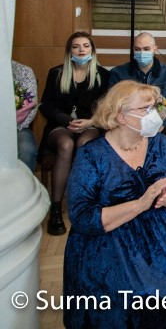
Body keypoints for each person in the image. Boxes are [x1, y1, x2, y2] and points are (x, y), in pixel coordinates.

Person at [63, 81, 166, 328]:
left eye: (154, 107)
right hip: (110, 241)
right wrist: (140, 204)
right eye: (145, 109)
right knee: (129, 296)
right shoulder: (91, 155)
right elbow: (82, 216)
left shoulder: (160, 144)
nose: (154, 115)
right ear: (120, 116)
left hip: (163, 237)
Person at [40, 32, 111, 235]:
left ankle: (82, 203)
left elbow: (106, 109)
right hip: (60, 126)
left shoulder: (103, 75)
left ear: (92, 50)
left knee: (84, 145)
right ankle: (55, 210)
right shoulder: (56, 73)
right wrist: (68, 121)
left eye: (86, 46)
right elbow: (46, 106)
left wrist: (89, 122)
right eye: (76, 46)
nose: (81, 50)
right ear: (69, 51)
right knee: (66, 145)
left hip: (91, 124)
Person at [110, 32, 166, 136]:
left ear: (155, 49)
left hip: (160, 125)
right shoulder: (118, 73)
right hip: (127, 124)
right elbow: (113, 105)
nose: (142, 53)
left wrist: (160, 125)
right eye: (137, 49)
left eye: (146, 49)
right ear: (133, 49)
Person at [13, 60, 38, 172]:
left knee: (27, 149)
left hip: (18, 127)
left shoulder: (23, 71)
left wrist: (14, 125)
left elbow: (31, 108)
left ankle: (22, 188)